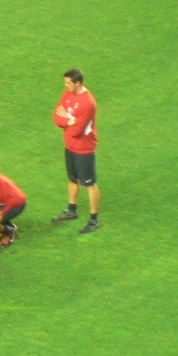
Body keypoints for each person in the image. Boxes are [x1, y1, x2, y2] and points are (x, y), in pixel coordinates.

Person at [52, 67, 100, 233]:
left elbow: (76, 131)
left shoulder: (88, 103)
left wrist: (67, 121)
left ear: (78, 83)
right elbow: (56, 116)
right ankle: (72, 210)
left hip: (84, 149)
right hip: (70, 146)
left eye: (68, 83)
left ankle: (94, 220)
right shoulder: (67, 94)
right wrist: (68, 121)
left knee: (89, 183)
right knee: (72, 178)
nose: (66, 86)